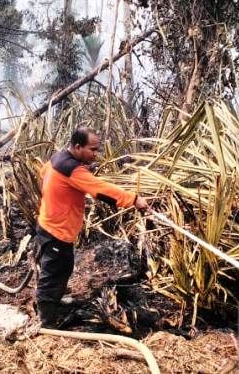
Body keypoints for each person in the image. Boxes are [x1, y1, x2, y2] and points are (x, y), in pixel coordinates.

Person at [35, 126, 148, 327]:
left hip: (51, 226)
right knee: (53, 273)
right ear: (78, 147)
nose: (96, 154)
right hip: (55, 231)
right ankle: (46, 320)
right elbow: (100, 189)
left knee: (63, 268)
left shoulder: (58, 159)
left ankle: (53, 303)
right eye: (92, 150)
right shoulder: (72, 170)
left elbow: (43, 174)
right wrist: (134, 199)